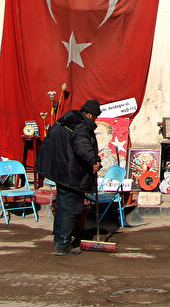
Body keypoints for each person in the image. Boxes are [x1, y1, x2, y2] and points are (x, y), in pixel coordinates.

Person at [35, 98, 101, 256]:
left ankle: (59, 239)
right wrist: (94, 161)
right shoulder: (81, 127)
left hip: (59, 169)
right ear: (91, 116)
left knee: (63, 205)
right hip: (70, 173)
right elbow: (82, 146)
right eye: (95, 117)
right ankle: (63, 244)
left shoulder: (67, 120)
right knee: (70, 208)